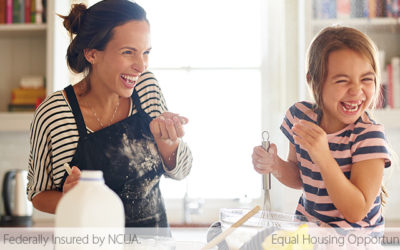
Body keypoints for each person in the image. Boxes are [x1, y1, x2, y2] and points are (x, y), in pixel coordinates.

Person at [27, 0, 192, 229]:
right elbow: (38, 194)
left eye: (146, 53)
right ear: (92, 54)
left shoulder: (147, 90)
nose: (141, 65)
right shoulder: (55, 113)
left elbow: (182, 170)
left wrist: (169, 144)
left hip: (153, 244)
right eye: (128, 52)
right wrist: (70, 199)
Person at [252, 26, 391, 232]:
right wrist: (275, 165)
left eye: (366, 79)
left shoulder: (368, 136)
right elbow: (300, 177)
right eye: (342, 80)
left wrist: (323, 157)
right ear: (313, 82)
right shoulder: (299, 118)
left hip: (354, 240)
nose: (356, 90)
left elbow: (356, 211)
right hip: (311, 231)